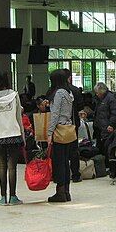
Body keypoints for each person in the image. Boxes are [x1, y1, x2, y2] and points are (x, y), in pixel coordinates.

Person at [0, 72, 25, 206]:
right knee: (12, 167)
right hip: (13, 134)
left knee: (2, 167)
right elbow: (18, 117)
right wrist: (23, 135)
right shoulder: (14, 95)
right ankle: (13, 197)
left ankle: (3, 197)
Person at [47, 69, 75, 203]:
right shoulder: (69, 93)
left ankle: (60, 192)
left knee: (58, 162)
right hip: (68, 129)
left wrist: (49, 132)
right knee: (65, 161)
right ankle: (66, 191)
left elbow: (55, 115)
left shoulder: (58, 93)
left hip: (59, 130)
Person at [93, 82, 116, 159]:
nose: (96, 94)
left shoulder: (111, 98)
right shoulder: (99, 99)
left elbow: (115, 113)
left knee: (107, 147)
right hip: (99, 127)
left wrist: (111, 124)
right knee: (100, 147)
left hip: (107, 128)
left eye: (97, 93)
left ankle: (108, 164)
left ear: (102, 91)